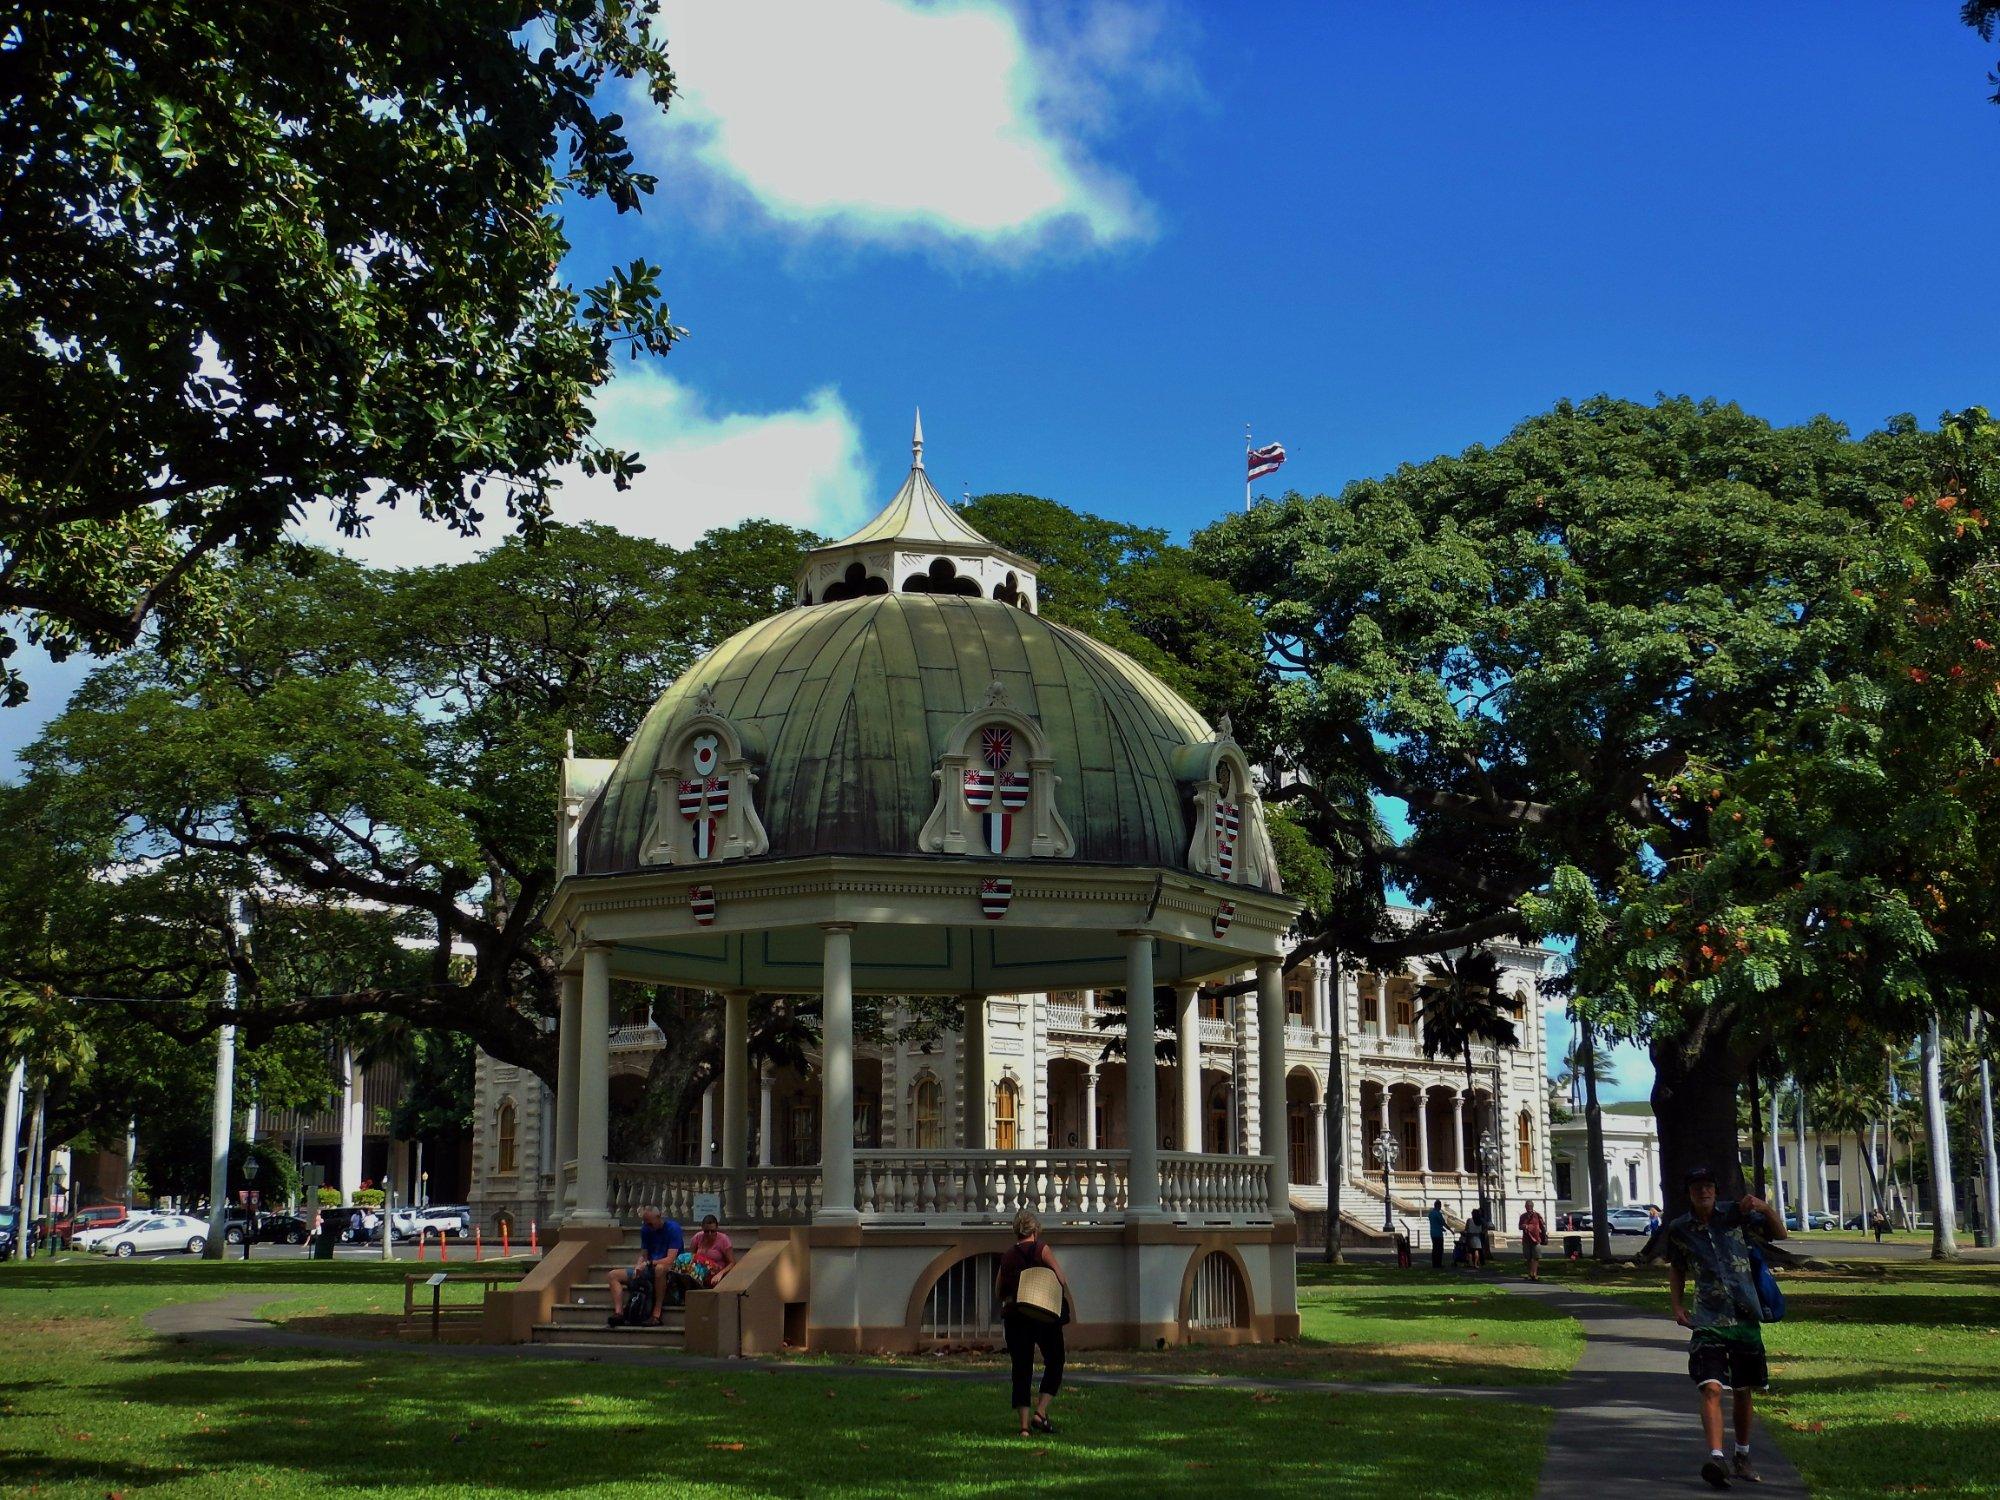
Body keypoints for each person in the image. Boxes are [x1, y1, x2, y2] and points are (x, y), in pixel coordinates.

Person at [1667, 1165, 1786, 1489]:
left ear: (1715, 1190)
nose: (1703, 1191)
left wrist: (1763, 1207)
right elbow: (1677, 1268)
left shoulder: (1737, 1215)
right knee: (1711, 1386)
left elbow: (1779, 1233)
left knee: (1744, 1391)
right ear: (1689, 1193)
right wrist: (1677, 1305)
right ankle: (1716, 1457)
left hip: (1745, 1317)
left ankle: (1742, 1456)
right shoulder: (1680, 1229)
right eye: (1696, 1187)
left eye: (1708, 1186)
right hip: (1708, 1320)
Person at [994, 1207, 1070, 1438]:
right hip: (1043, 1314)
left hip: (1016, 1316)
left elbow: (999, 1290)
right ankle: (1041, 1410)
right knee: (1055, 1360)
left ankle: (1024, 1427)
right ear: (1035, 1230)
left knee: (1021, 1369)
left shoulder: (1008, 1255)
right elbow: (1061, 1278)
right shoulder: (1041, 1248)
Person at [608, 1205, 683, 1325]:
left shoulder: (673, 1229)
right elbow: (644, 1254)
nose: (647, 1226)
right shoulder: (646, 1230)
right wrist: (639, 1265)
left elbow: (671, 1259)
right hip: (649, 1267)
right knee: (613, 1275)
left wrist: (648, 1263)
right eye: (645, 1222)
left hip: (669, 1269)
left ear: (658, 1217)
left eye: (650, 1223)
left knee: (659, 1269)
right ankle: (619, 1313)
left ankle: (656, 1314)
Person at [669, 1213, 734, 1292]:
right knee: (683, 1258)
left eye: (712, 1231)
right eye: (706, 1231)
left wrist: (720, 1274)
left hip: (715, 1271)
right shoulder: (698, 1237)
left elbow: (732, 1263)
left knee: (696, 1260)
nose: (709, 1234)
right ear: (702, 1228)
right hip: (697, 1270)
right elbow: (691, 1257)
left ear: (717, 1228)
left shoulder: (723, 1239)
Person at [1517, 1199, 1548, 1282]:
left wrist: (1544, 1236)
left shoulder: (1537, 1215)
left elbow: (1543, 1225)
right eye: (1527, 1206)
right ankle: (1530, 1274)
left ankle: (1534, 1274)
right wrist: (1524, 1226)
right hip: (1526, 1240)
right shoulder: (1523, 1216)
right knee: (1528, 1258)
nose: (1529, 1207)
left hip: (1536, 1239)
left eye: (1530, 1206)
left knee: (1536, 1257)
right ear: (1525, 1207)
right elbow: (1519, 1226)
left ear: (1532, 1206)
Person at [1427, 1199, 1447, 1270]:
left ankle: (1434, 1263)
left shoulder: (1431, 1213)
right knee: (1439, 1249)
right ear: (1438, 1206)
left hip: (1432, 1232)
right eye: (1440, 1206)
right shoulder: (1438, 1214)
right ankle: (1438, 1263)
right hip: (1438, 1234)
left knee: (1434, 1249)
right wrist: (1449, 1229)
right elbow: (1443, 1223)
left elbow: (1435, 1223)